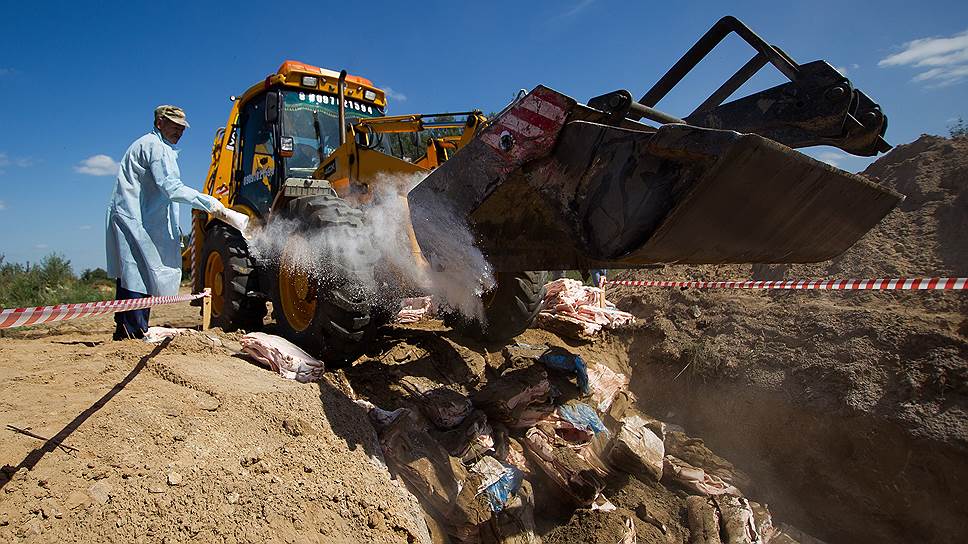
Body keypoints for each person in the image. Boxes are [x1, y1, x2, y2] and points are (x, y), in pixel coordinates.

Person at [105, 105, 235, 340]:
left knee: (134, 273)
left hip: (139, 218)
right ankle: (133, 332)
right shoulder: (155, 147)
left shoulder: (153, 145)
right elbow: (171, 187)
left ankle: (125, 330)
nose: (179, 131)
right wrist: (210, 202)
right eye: (174, 126)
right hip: (137, 219)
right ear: (159, 123)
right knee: (137, 275)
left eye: (182, 128)